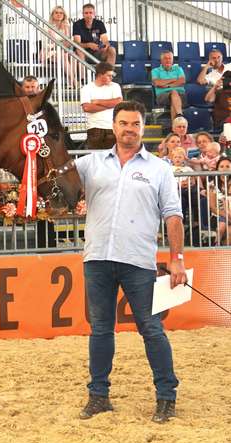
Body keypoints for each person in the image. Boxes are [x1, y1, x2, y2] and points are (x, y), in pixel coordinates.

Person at [74, 100, 186, 424]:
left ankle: (166, 397)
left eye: (135, 124)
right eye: (123, 123)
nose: (129, 130)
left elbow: (174, 217)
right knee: (100, 331)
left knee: (151, 329)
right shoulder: (90, 164)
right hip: (97, 258)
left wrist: (176, 259)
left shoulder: (159, 168)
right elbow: (59, 180)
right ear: (113, 127)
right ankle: (98, 396)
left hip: (138, 261)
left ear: (142, 127)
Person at [80, 62, 122, 149]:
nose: (111, 77)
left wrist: (97, 101)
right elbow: (87, 108)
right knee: (96, 159)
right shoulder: (87, 88)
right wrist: (110, 105)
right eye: (108, 75)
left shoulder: (115, 86)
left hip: (112, 128)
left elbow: (118, 102)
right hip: (94, 128)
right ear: (100, 75)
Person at [40, 5, 76, 88]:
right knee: (63, 56)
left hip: (62, 51)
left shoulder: (66, 27)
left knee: (74, 57)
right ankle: (73, 81)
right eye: (56, 13)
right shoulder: (47, 27)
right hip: (49, 51)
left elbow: (68, 43)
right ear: (52, 14)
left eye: (61, 13)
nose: (59, 15)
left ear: (64, 15)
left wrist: (66, 32)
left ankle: (71, 83)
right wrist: (61, 44)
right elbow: (49, 43)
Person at [151, 50, 186, 125]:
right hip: (162, 96)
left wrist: (167, 85)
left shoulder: (178, 69)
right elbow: (157, 83)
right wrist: (173, 79)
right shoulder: (155, 71)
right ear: (161, 60)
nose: (168, 60)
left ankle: (176, 126)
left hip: (181, 96)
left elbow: (182, 81)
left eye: (170, 58)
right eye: (165, 58)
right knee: (174, 93)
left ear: (172, 60)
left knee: (174, 96)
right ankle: (180, 117)